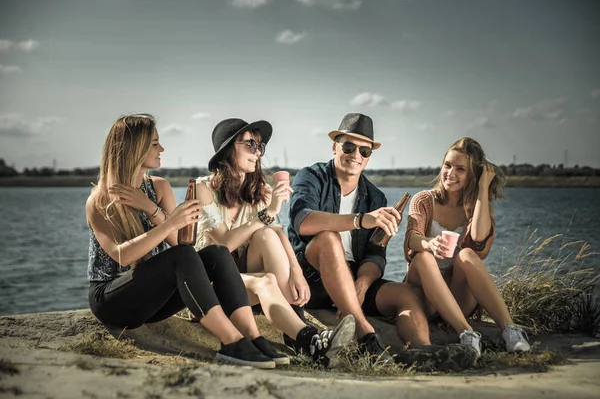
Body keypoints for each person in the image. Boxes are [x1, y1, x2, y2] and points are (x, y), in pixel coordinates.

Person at [87, 114, 284, 369]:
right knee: (182, 257)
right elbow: (121, 256)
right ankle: (231, 341)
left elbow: (181, 246)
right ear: (134, 149)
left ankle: (252, 336)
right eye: (155, 143)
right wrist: (168, 221)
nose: (162, 149)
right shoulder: (100, 200)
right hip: (113, 301)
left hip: (152, 299)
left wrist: (151, 209)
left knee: (217, 253)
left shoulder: (158, 188)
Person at [191, 117, 356, 367]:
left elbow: (277, 233)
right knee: (265, 276)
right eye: (250, 144)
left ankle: (301, 332)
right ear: (227, 150)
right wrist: (267, 212)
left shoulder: (259, 190)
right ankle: (307, 338)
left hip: (245, 285)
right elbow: (224, 244)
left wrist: (297, 273)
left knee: (267, 235)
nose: (257, 152)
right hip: (210, 286)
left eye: (260, 146)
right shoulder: (203, 189)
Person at [287, 113, 436, 365]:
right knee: (329, 238)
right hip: (312, 278)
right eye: (348, 146)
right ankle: (366, 337)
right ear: (335, 147)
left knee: (407, 295)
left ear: (368, 158)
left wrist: (363, 283)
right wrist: (360, 219)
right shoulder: (310, 176)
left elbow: (375, 254)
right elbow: (302, 221)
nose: (356, 155)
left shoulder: (376, 197)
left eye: (364, 151)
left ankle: (424, 353)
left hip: (353, 277)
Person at [403, 137, 530, 357]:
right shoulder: (423, 200)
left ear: (472, 174)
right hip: (425, 297)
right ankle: (467, 333)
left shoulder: (476, 208)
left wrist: (482, 189)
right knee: (423, 257)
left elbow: (479, 243)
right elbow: (411, 239)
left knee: (468, 255)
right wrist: (428, 243)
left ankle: (510, 331)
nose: (450, 173)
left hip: (458, 296)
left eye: (460, 169)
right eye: (447, 165)